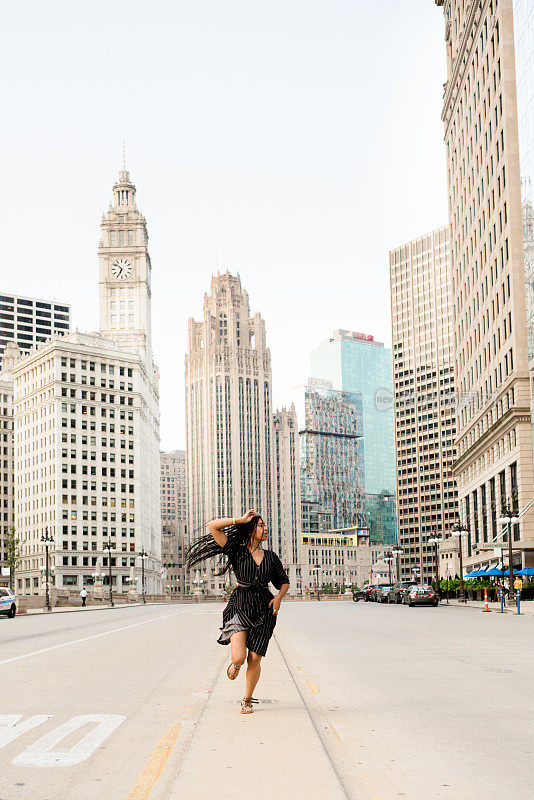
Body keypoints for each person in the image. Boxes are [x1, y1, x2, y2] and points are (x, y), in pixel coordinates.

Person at [185, 509, 290, 715]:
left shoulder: (271, 557)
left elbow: (284, 582)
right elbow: (213, 526)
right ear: (251, 529)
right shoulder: (237, 550)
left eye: (265, 525)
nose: (266, 529)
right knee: (240, 658)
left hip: (264, 610)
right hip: (240, 605)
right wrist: (239, 520)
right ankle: (236, 664)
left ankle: (247, 699)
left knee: (255, 658)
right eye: (261, 526)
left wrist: (278, 598)